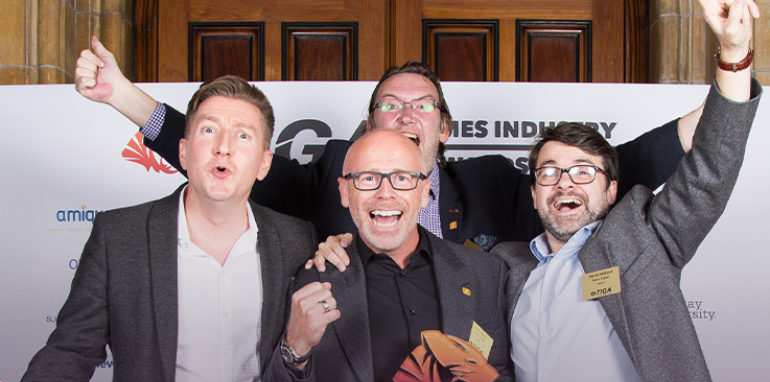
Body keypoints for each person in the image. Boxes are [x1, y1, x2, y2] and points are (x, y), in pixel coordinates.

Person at [74, 40, 695, 247]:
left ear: (444, 129)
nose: (404, 114)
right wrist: (123, 96)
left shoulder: (491, 183)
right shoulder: (328, 176)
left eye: (422, 105)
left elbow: (615, 169)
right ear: (369, 126)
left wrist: (724, 105)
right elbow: (225, 160)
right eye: (389, 105)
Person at [492, 1, 760, 382]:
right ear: (534, 194)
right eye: (549, 172)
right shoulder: (507, 268)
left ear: (611, 189)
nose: (565, 183)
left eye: (583, 171)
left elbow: (710, 171)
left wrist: (735, 55)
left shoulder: (643, 243)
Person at [0, 76, 316, 382]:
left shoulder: (297, 241)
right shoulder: (121, 236)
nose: (224, 146)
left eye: (243, 135)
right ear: (183, 151)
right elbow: (74, 347)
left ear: (264, 163)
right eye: (209, 130)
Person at [260, 129, 515, 382]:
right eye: (368, 178)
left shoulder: (482, 272)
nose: (385, 193)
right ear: (345, 192)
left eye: (402, 178)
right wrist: (295, 348)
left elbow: (499, 372)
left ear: (424, 192)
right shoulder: (311, 279)